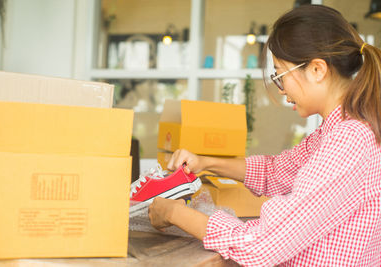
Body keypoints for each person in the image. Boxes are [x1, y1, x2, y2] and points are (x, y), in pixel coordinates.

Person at [148, 4, 381, 266]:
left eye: (281, 75)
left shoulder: (348, 141)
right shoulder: (337, 130)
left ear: (317, 70)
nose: (281, 89)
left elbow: (259, 246)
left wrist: (174, 212)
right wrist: (205, 163)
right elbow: (275, 171)